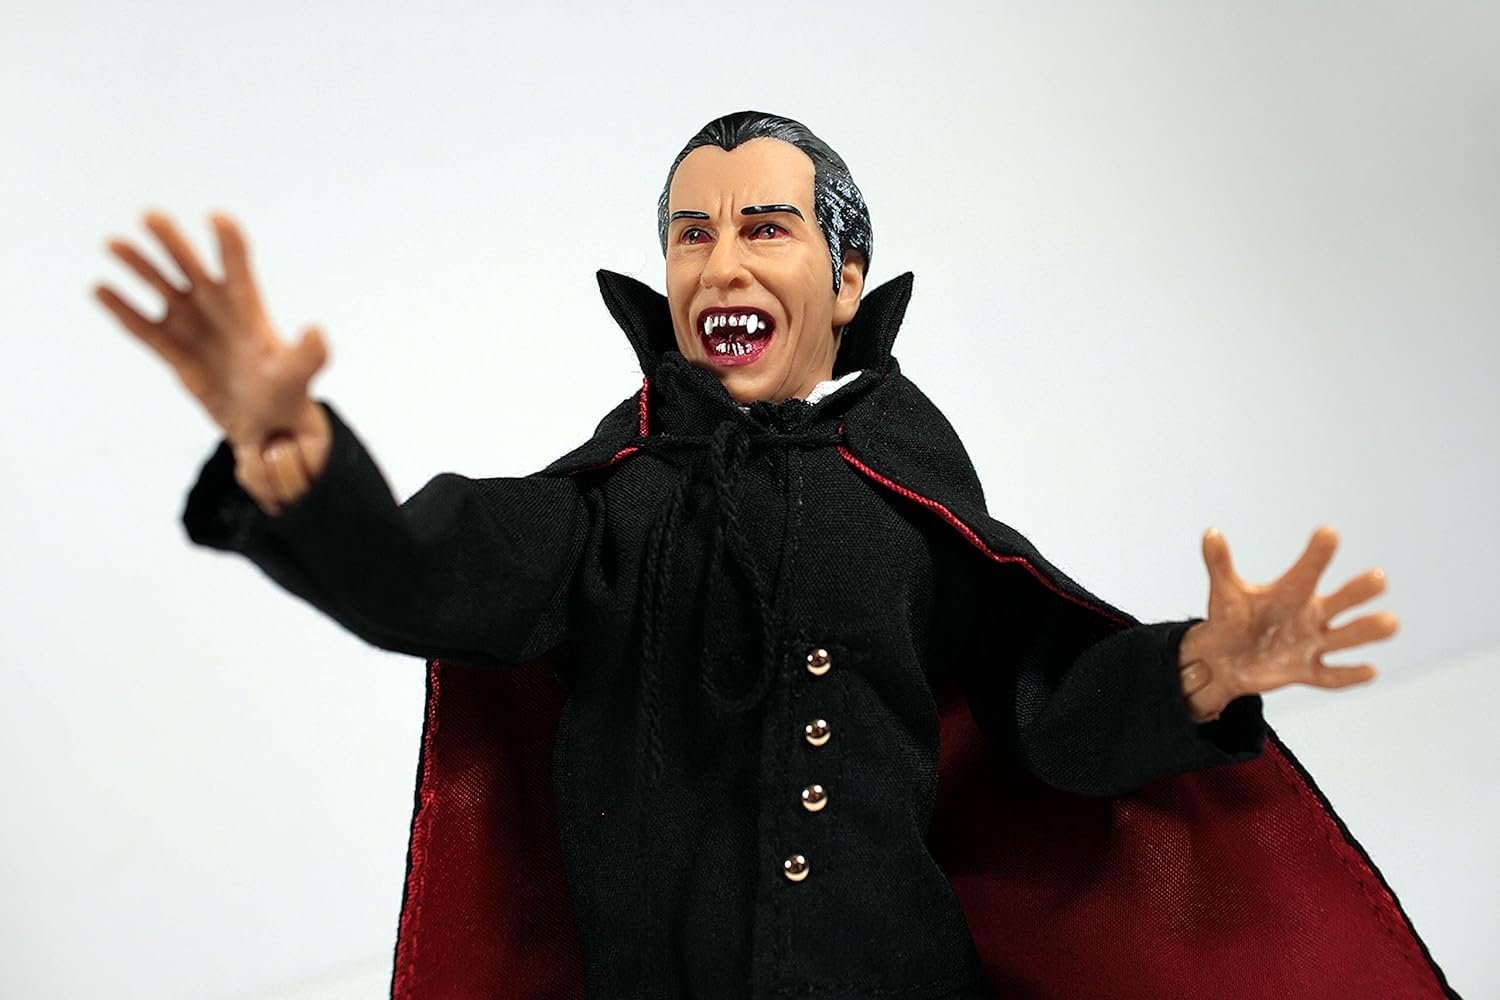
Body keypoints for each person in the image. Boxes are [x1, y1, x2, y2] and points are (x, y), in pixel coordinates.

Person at [96, 112, 1458, 1000]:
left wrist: (1200, 669)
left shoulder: (907, 487)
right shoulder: (611, 497)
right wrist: (295, 458)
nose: (722, 262)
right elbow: (427, 572)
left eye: (766, 227)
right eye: (692, 235)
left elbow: (1047, 711)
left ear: (846, 282)